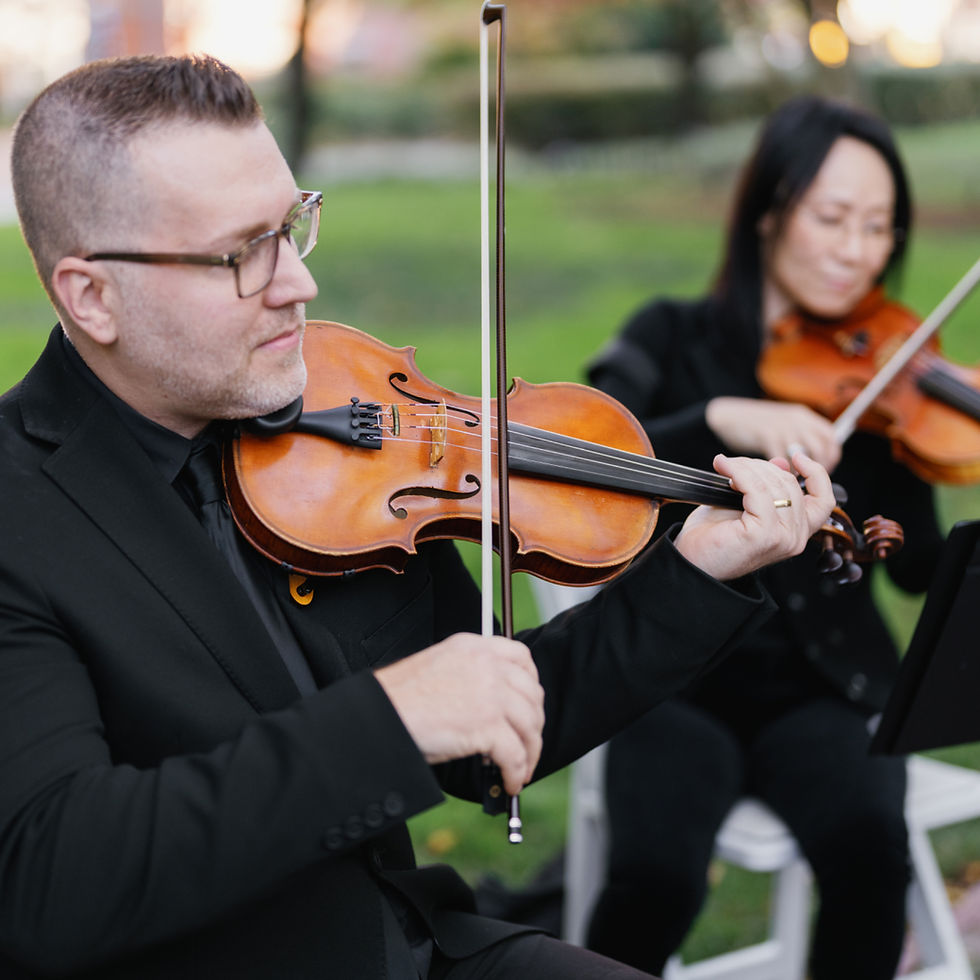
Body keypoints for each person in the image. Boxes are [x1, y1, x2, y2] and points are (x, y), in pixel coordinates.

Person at [0, 55, 835, 980]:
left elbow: (489, 727)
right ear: (91, 295)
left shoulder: (333, 437)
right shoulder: (16, 512)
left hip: (416, 951)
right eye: (240, 255)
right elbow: (49, 881)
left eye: (291, 226)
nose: (295, 285)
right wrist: (389, 718)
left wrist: (698, 573)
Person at [584, 95, 946, 979]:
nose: (858, 250)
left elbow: (918, 574)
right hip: (672, 685)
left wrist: (917, 467)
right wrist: (718, 414)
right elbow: (587, 449)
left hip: (819, 690)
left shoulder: (888, 381)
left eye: (879, 227)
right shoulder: (669, 333)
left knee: (870, 852)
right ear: (769, 212)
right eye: (833, 218)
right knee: (656, 878)